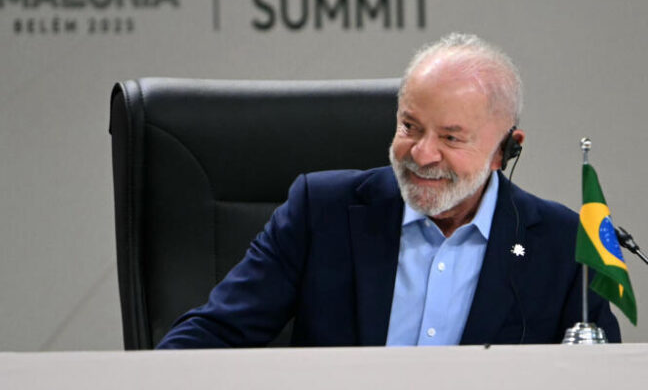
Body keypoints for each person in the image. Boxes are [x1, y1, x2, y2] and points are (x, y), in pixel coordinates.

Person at [157, 33, 620, 348]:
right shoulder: (322, 213)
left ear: (505, 150)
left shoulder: (563, 245)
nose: (421, 154)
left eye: (451, 138)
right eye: (409, 126)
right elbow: (210, 337)